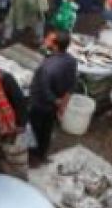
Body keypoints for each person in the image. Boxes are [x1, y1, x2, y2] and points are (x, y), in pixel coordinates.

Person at [27, 30, 78, 163]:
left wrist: (57, 101)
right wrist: (62, 105)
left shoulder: (47, 67)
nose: (45, 40)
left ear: (55, 45)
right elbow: (72, 85)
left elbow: (45, 91)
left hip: (40, 104)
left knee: (34, 131)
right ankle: (42, 154)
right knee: (47, 131)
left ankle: (32, 157)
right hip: (53, 106)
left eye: (48, 39)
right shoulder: (72, 61)